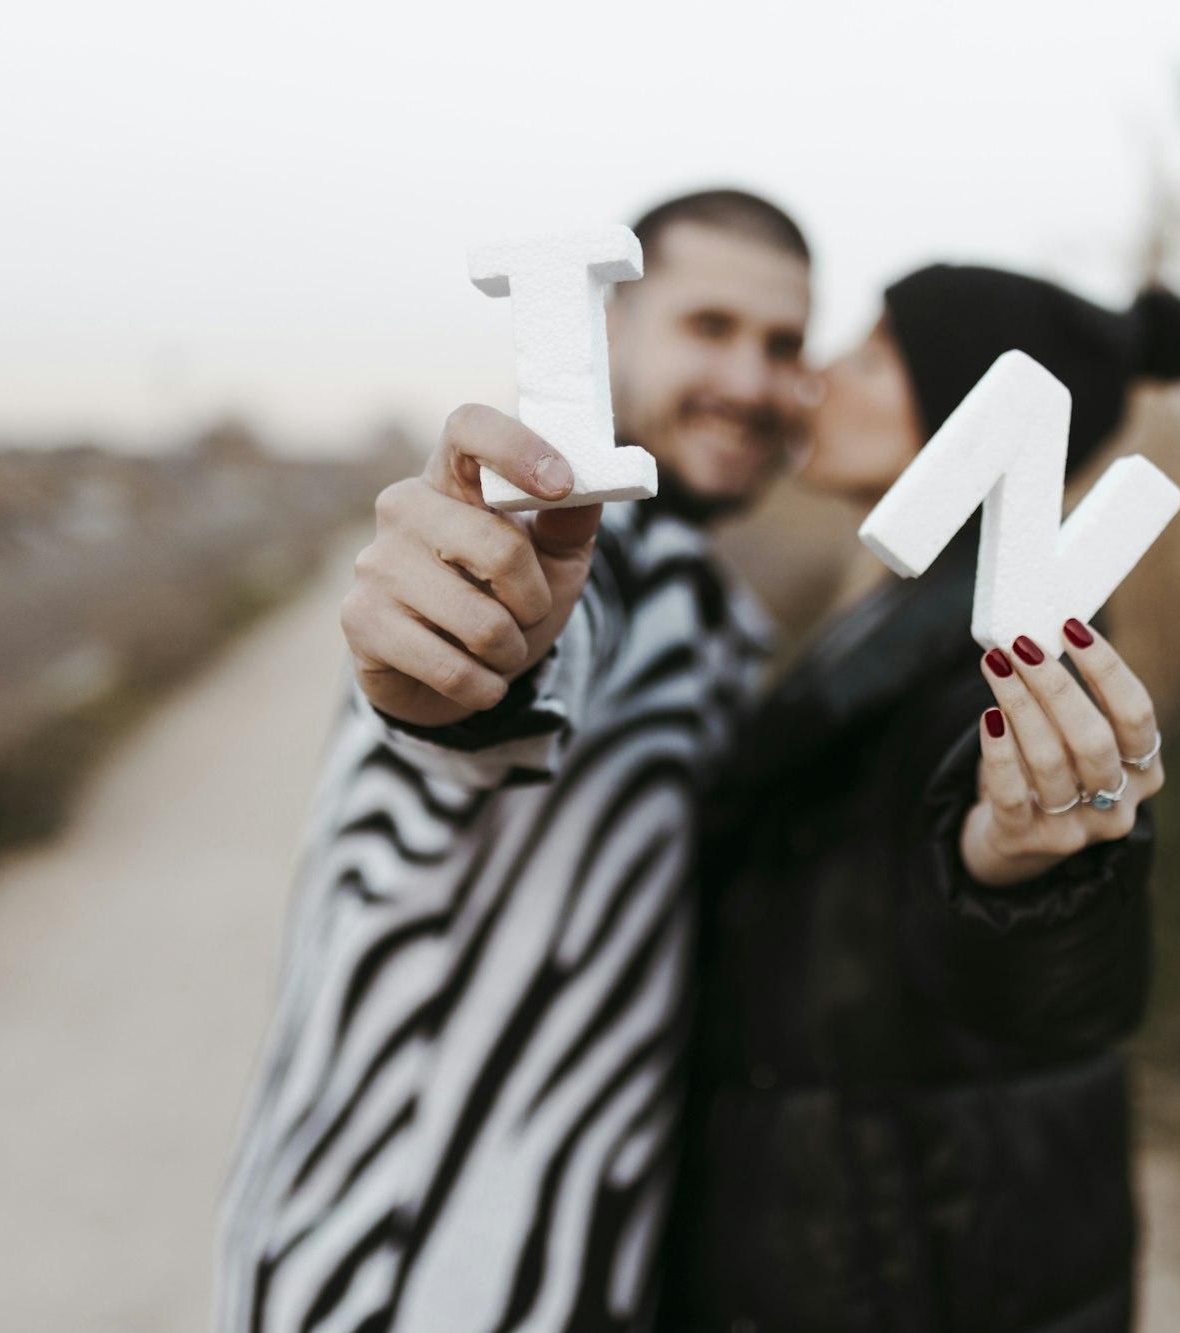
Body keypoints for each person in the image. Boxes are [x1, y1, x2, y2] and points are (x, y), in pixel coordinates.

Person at [215, 188, 813, 1333]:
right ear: (610, 331)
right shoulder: (576, 559)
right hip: (401, 1280)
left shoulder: (717, 609)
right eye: (710, 326)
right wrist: (453, 672)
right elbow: (494, 690)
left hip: (574, 1274)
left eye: (782, 344)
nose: (749, 379)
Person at [658, 265, 1180, 1331]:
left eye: (868, 356)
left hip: (922, 1269)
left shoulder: (996, 667)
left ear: (971, 415)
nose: (817, 378)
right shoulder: (882, 614)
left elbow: (1038, 928)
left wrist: (1014, 862)